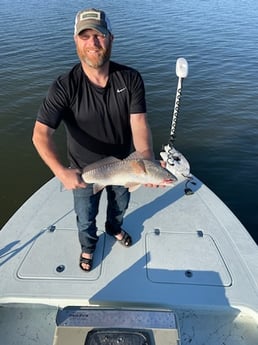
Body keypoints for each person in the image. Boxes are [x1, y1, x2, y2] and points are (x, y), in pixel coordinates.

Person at [32, 8, 157, 272]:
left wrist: (146, 162)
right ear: (75, 41)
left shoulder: (131, 79)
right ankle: (88, 246)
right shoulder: (64, 87)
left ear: (111, 38)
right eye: (85, 36)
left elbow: (139, 122)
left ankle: (114, 228)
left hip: (126, 165)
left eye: (98, 35)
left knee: (120, 205)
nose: (92, 43)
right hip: (84, 171)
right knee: (85, 216)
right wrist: (61, 173)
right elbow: (40, 134)